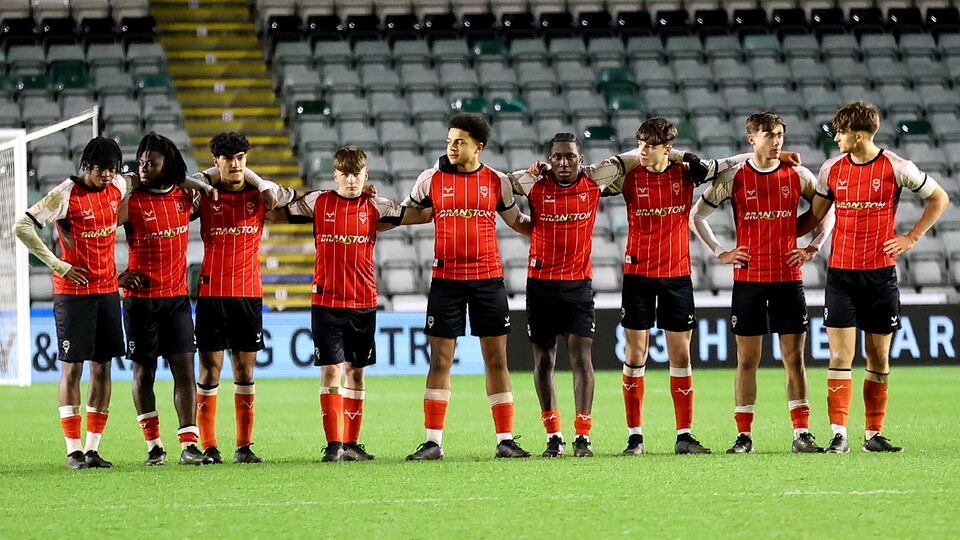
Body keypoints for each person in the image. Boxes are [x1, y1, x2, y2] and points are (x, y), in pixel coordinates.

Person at [797, 101, 948, 453]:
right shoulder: (831, 169)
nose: (836, 138)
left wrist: (911, 238)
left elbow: (938, 199)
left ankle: (872, 434)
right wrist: (776, 233)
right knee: (839, 356)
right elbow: (814, 217)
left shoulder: (897, 167)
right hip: (841, 275)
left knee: (878, 357)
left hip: (880, 275)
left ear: (859, 135)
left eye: (841, 132)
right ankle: (839, 434)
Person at [691, 110, 835, 454]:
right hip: (749, 279)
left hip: (788, 278)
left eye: (780, 135)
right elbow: (696, 215)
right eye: (769, 135)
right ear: (751, 138)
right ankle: (744, 436)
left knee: (794, 358)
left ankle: (801, 433)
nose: (776, 141)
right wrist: (720, 252)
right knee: (746, 360)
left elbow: (826, 209)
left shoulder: (797, 174)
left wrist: (814, 246)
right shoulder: (735, 177)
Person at [283, 145, 431, 462]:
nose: (351, 180)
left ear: (366, 175)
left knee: (357, 372)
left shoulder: (376, 205)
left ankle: (351, 444)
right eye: (345, 174)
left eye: (356, 174)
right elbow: (276, 209)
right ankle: (334, 445)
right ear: (335, 175)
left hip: (364, 302)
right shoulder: (318, 202)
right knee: (331, 370)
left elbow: (417, 215)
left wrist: (439, 195)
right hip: (326, 302)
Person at [403, 113, 533, 460]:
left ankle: (505, 440)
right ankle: (433, 443)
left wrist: (552, 231)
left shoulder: (496, 181)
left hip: (488, 281)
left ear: (479, 146)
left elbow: (517, 221)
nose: (452, 147)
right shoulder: (430, 179)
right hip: (446, 282)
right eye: (449, 141)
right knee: (440, 361)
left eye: (459, 141)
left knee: (497, 360)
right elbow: (408, 213)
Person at [509, 133, 638, 458]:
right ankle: (554, 435)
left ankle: (583, 435)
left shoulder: (594, 180)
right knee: (544, 358)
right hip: (540, 284)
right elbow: (500, 187)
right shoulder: (535, 183)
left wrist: (671, 155)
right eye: (557, 157)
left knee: (582, 359)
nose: (563, 162)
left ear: (580, 159)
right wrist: (525, 216)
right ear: (549, 159)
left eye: (570, 156)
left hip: (578, 285)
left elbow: (637, 155)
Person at [13, 137, 130, 469]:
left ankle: (93, 449)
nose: (107, 176)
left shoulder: (118, 184)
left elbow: (136, 182)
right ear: (86, 167)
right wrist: (59, 265)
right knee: (73, 368)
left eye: (112, 170)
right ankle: (73, 450)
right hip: (73, 294)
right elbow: (22, 226)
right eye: (100, 170)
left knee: (103, 367)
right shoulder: (65, 194)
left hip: (107, 291)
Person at [193, 132, 296, 464]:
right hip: (211, 293)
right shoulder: (205, 195)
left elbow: (286, 197)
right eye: (228, 159)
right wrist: (213, 179)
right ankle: (208, 446)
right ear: (216, 162)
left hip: (248, 294)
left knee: (245, 372)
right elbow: (184, 187)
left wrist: (260, 182)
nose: (235, 165)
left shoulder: (261, 196)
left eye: (240, 158)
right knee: (210, 371)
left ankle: (244, 446)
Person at [119, 133, 216, 466]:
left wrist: (202, 186)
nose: (144, 168)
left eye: (152, 162)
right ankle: (154, 446)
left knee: (184, 374)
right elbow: (95, 232)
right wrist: (114, 277)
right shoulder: (129, 202)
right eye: (141, 163)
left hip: (176, 300)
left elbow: (221, 174)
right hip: (139, 301)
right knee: (143, 375)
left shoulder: (185, 198)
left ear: (168, 164)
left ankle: (189, 446)